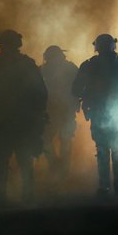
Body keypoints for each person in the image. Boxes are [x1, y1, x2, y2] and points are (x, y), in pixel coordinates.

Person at [0, 30, 48, 206]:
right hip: (17, 119)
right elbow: (41, 92)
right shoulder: (26, 64)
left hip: (8, 120)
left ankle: (4, 194)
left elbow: (39, 92)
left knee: (3, 159)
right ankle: (25, 194)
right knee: (21, 158)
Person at [72, 34, 118, 198]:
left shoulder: (89, 65)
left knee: (102, 150)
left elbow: (76, 89)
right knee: (117, 149)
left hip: (100, 111)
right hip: (117, 111)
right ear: (113, 45)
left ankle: (105, 186)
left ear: (97, 47)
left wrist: (87, 95)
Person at [40, 45, 80, 179]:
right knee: (61, 140)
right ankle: (60, 167)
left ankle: (60, 168)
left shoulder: (45, 69)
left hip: (59, 110)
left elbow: (79, 87)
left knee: (59, 140)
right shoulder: (69, 68)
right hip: (53, 110)